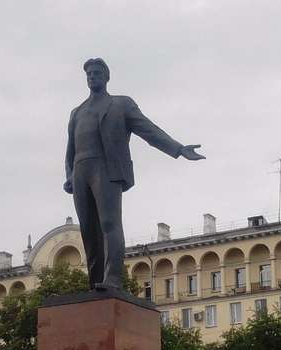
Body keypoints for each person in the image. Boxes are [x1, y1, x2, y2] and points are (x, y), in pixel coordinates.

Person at [63, 58, 205, 290]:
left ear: (106, 77)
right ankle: (95, 282)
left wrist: (178, 149)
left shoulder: (121, 105)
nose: (92, 76)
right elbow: (70, 150)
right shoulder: (76, 112)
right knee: (88, 230)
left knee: (109, 223)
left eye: (97, 73)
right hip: (80, 170)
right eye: (89, 73)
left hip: (106, 168)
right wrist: (69, 174)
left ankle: (113, 279)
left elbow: (148, 130)